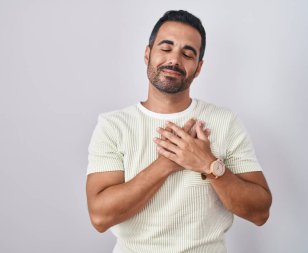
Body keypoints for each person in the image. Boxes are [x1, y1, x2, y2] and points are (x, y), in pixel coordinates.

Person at [86, 10, 272, 253]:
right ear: (147, 54)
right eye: (166, 48)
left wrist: (209, 164)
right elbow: (100, 217)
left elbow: (260, 212)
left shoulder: (224, 122)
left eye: (187, 53)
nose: (174, 60)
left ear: (198, 67)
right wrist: (167, 164)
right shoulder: (113, 125)